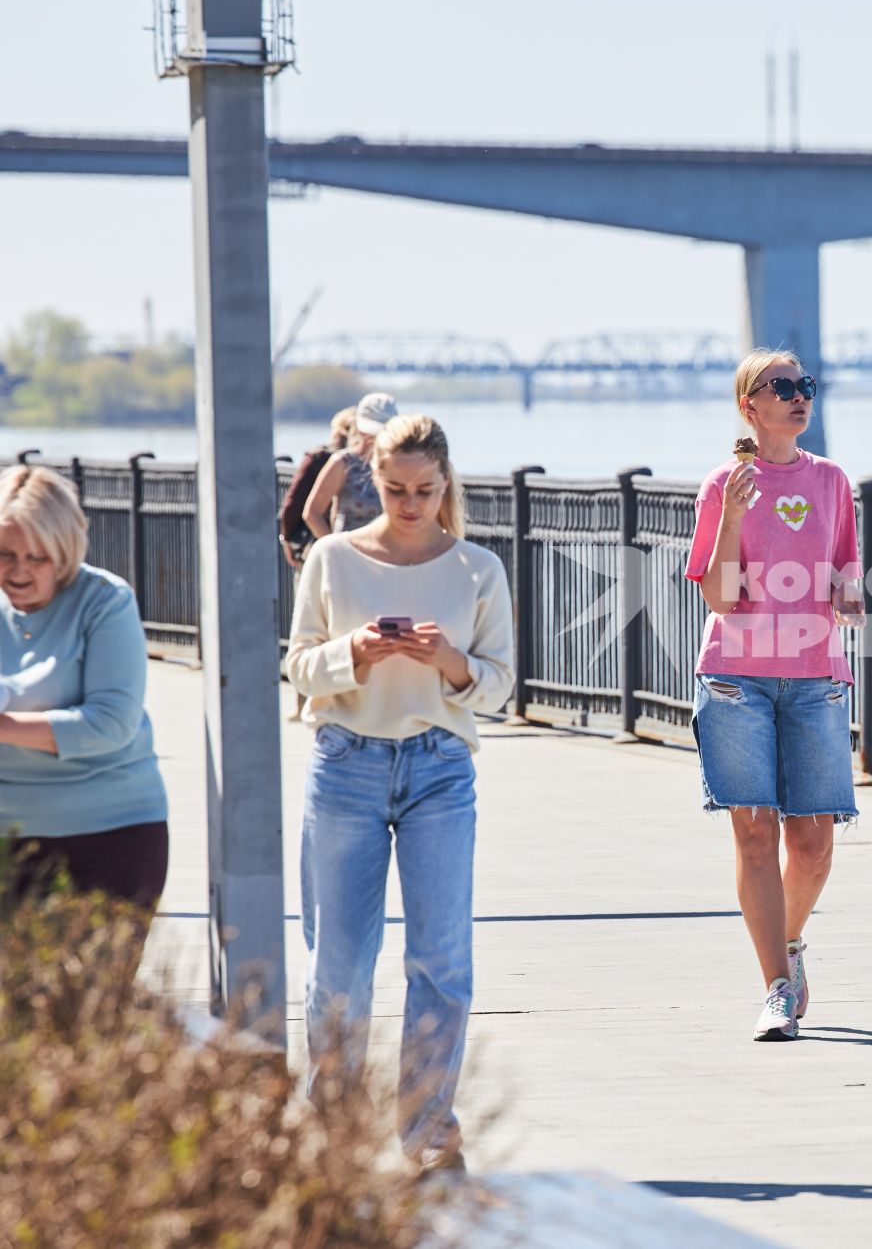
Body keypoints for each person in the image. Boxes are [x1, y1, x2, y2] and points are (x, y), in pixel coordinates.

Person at [286, 413, 514, 1174]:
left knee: (441, 959)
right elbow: (298, 668)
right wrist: (353, 652)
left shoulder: (477, 567)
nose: (409, 502)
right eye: (393, 488)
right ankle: (332, 1130)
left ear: (446, 482)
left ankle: (428, 1129)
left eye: (423, 489)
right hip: (345, 763)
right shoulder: (332, 557)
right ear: (372, 483)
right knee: (339, 967)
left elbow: (500, 686)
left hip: (440, 768)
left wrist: (450, 661)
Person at [685, 349, 862, 1042]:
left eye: (804, 386)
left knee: (813, 842)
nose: (797, 396)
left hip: (815, 674)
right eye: (781, 387)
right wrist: (731, 512)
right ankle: (776, 988)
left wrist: (850, 594)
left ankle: (786, 942)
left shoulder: (831, 480)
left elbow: (847, 568)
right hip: (737, 677)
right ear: (748, 405)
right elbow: (722, 596)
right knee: (755, 833)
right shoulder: (721, 484)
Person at [0, 465, 168, 938]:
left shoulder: (105, 601)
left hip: (114, 832)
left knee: (99, 999)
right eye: (4, 554)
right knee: (14, 1003)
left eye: (37, 558)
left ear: (66, 551)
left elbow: (109, 724)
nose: (19, 571)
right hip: (4, 836)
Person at [302, 391, 398, 542]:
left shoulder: (399, 464)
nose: (375, 437)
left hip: (389, 557)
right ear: (360, 429)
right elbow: (312, 513)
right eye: (371, 431)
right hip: (349, 557)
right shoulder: (343, 462)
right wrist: (336, 550)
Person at [280, 405, 356, 570]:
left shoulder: (318, 459)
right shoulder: (365, 464)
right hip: (353, 550)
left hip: (318, 546)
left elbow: (292, 504)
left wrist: (287, 540)